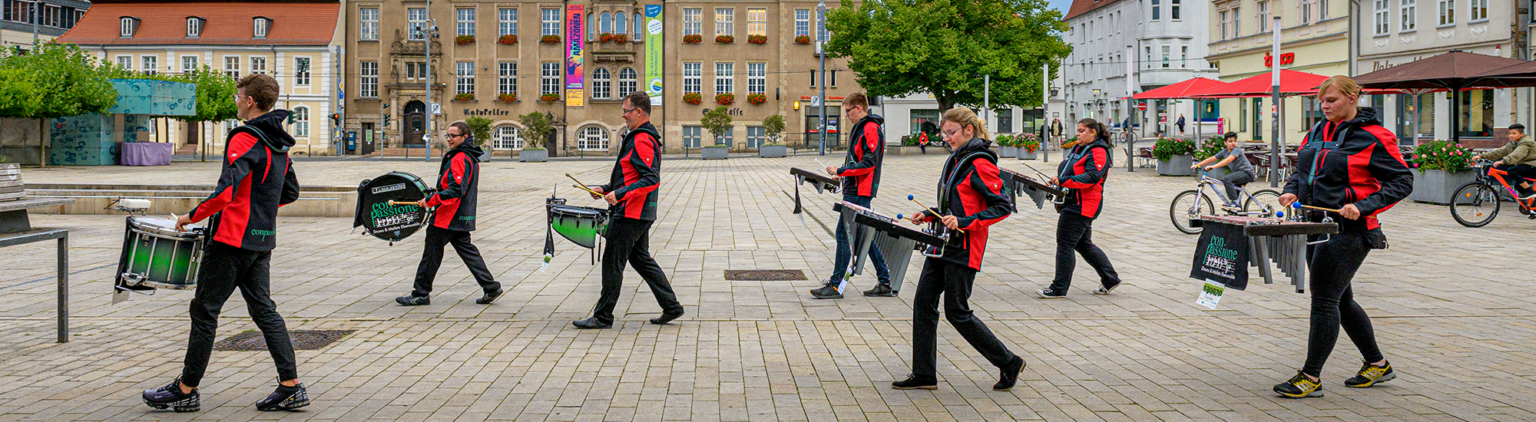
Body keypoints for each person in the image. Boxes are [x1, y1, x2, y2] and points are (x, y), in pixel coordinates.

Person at [145, 73, 308, 412]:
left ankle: (186, 389)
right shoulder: (279, 140)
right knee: (265, 311)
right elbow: (290, 192)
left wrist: (191, 216)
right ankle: (290, 386)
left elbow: (226, 191)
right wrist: (260, 211)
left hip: (231, 240)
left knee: (205, 311)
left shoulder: (244, 136)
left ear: (250, 101)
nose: (235, 101)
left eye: (238, 96)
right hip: (262, 240)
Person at [1274, 75, 1413, 398]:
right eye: (1321, 101)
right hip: (1314, 226)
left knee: (1324, 300)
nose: (1324, 106)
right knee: (1341, 300)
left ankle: (1310, 377)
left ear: (1353, 98)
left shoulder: (1374, 137)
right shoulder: (1317, 131)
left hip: (1350, 231)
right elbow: (1301, 172)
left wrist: (1364, 206)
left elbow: (1402, 181)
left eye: (1332, 100)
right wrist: (1290, 191)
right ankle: (1377, 364)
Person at [893, 107, 1025, 391]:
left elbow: (1002, 207)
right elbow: (951, 204)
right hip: (943, 244)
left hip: (965, 246)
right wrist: (930, 215)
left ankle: (1008, 361)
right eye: (944, 133)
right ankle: (924, 373)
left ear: (968, 130)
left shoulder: (979, 162)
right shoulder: (956, 159)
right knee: (923, 303)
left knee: (957, 311)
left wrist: (965, 221)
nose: (947, 138)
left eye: (951, 132)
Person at [575, 91, 685, 329]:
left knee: (612, 262)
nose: (623, 115)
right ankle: (671, 306)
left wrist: (620, 195)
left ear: (639, 112)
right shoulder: (635, 136)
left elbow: (650, 179)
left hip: (632, 213)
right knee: (641, 260)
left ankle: (603, 316)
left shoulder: (642, 139)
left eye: (626, 111)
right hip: (636, 211)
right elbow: (629, 177)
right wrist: (605, 189)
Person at [396, 122, 502, 306]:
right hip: (461, 214)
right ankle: (491, 287)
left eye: (454, 136)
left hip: (448, 216)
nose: (450, 139)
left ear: (465, 137)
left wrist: (432, 200)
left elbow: (455, 190)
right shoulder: (468, 156)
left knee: (431, 254)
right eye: (448, 135)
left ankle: (420, 293)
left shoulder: (460, 157)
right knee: (468, 252)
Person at [811, 92, 895, 299]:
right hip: (855, 189)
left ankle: (835, 285)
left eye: (848, 111)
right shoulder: (861, 128)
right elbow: (858, 161)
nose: (846, 115)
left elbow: (869, 163)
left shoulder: (870, 128)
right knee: (865, 236)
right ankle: (885, 282)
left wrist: (841, 171)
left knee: (844, 235)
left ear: (859, 108)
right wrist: (844, 178)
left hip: (860, 191)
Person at [1038, 118, 1122, 299]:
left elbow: (1092, 177)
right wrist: (1057, 181)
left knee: (1065, 244)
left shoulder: (1099, 151)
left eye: (1082, 130)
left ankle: (1059, 288)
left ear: (1093, 133)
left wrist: (1065, 181)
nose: (1078, 133)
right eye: (1077, 130)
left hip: (1083, 205)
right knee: (1083, 245)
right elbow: (1069, 171)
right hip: (1072, 201)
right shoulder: (1079, 148)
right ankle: (1110, 278)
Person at [1191, 132, 1258, 208]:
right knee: (1231, 192)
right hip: (1239, 174)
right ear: (1225, 143)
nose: (1233, 143)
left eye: (1235, 141)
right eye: (1230, 141)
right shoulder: (1224, 152)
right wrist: (1198, 165)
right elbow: (1212, 158)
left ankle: (1235, 204)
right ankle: (1236, 208)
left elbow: (1228, 160)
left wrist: (1213, 167)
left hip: (1247, 173)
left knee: (1227, 180)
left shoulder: (1237, 150)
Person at [1477, 123, 1536, 199]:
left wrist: (1504, 161)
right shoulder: (1513, 143)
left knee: (1512, 170)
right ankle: (1532, 204)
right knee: (1518, 186)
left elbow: (1517, 154)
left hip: (1533, 166)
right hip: (1527, 166)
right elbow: (1500, 151)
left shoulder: (1525, 142)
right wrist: (1482, 156)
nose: (1511, 135)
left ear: (1522, 134)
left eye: (1514, 133)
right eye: (1510, 133)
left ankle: (1530, 192)